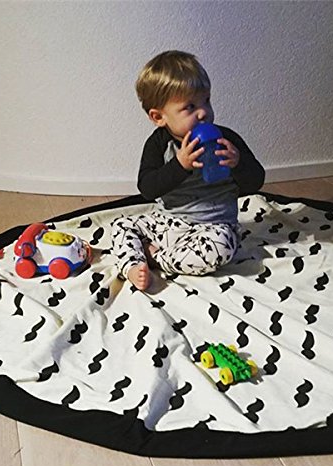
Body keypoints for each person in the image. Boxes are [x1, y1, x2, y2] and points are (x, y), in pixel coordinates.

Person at [112, 50, 265, 290]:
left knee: (221, 248)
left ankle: (156, 258)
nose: (203, 112)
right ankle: (132, 265)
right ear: (159, 117)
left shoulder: (226, 139)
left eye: (206, 101)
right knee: (120, 225)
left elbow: (255, 182)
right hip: (168, 221)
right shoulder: (159, 144)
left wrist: (238, 163)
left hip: (213, 227)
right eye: (190, 106)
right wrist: (179, 165)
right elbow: (148, 188)